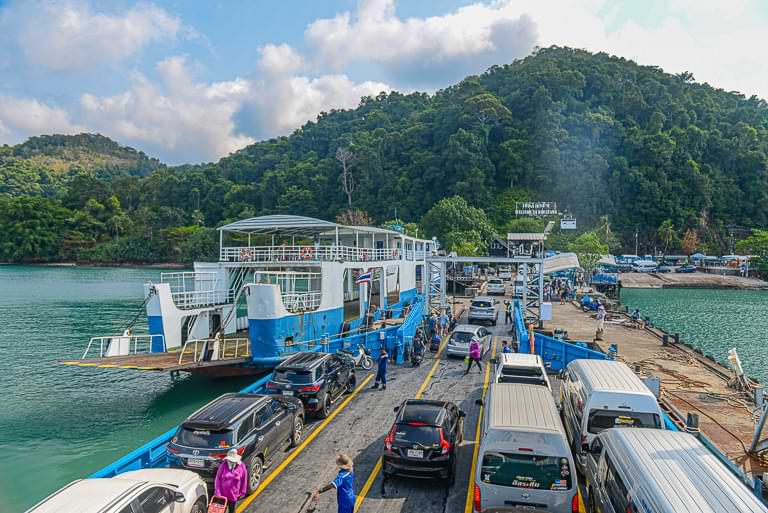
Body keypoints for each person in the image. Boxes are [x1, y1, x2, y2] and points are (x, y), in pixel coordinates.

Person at [214, 449, 248, 513]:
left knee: (232, 511)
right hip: (222, 495)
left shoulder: (241, 466)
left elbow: (244, 479)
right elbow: (218, 479)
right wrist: (218, 492)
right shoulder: (223, 465)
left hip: (234, 495)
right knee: (220, 511)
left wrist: (242, 491)